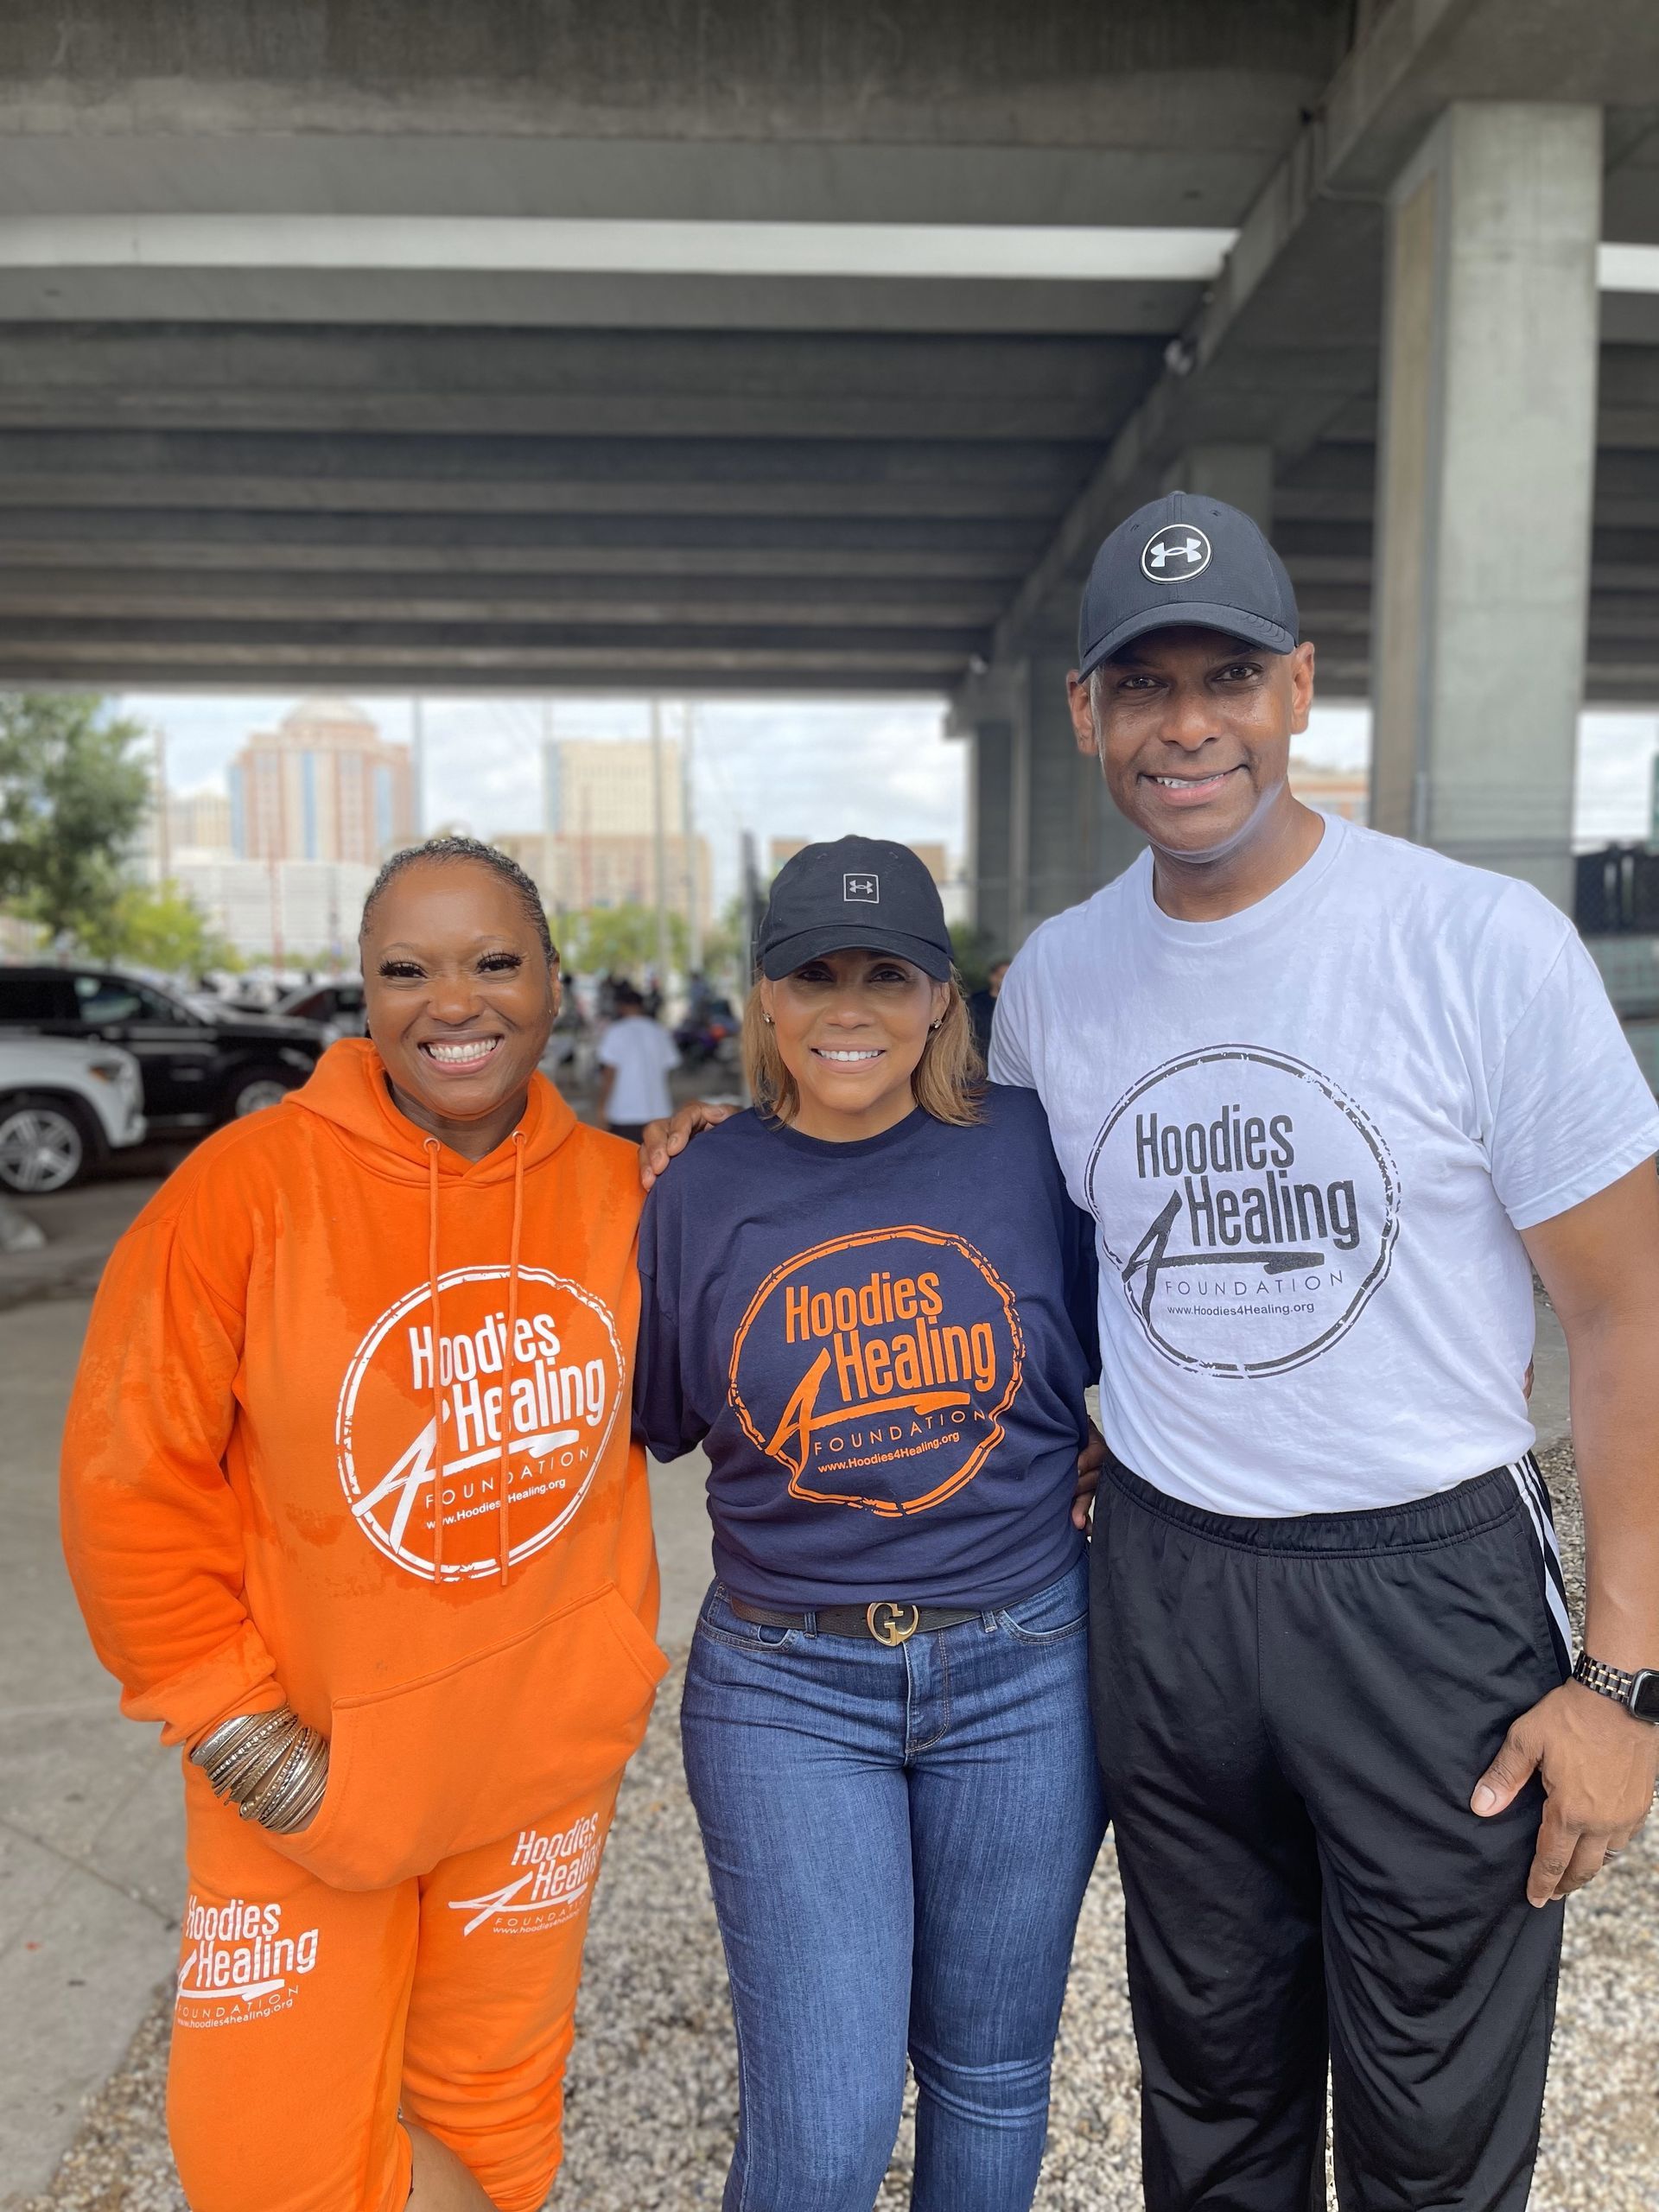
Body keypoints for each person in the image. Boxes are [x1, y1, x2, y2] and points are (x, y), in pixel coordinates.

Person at [988, 493, 1659, 2210]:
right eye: (1144, 686)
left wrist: (1626, 1676)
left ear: (1300, 689)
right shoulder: (1056, 983)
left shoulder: (1474, 942)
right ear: (1086, 714)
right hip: (1168, 1581)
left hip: (1422, 1586)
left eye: (1227, 677)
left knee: (1433, 2132)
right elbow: (1005, 1252)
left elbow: (1628, 1310)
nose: (1187, 723)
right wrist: (730, 1145)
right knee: (1211, 2094)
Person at [60, 836, 666, 2212]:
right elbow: (126, 1483)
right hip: (310, 1782)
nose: (453, 1002)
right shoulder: (243, 1187)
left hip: (538, 1768)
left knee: (497, 2132)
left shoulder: (625, 1196)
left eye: (493, 962)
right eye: (408, 970)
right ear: (364, 993)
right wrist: (250, 1742)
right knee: (265, 2169)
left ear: (556, 983)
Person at [633, 836, 1106, 2212]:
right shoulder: (697, 1190)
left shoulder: (1030, 1149)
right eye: (814, 975)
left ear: (943, 998)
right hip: (788, 1691)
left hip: (1026, 1667)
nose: (852, 1009)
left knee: (992, 2079)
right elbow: (664, 1414)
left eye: (887, 975)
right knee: (824, 2131)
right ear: (765, 1001)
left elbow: (1119, 1346)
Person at [595, 978, 680, 1144]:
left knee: (625, 1163)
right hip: (659, 1111)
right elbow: (669, 1070)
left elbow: (609, 1073)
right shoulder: (659, 1031)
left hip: (624, 1113)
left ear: (621, 1006)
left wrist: (602, 1107)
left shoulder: (615, 1032)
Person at [966, 956, 1009, 1060]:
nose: (1008, 980)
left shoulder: (1016, 1005)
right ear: (993, 977)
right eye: (1003, 976)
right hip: (980, 1062)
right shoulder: (975, 1003)